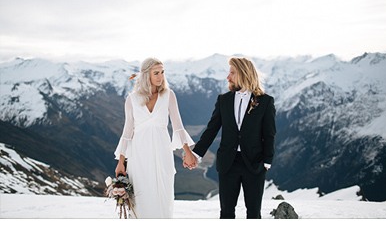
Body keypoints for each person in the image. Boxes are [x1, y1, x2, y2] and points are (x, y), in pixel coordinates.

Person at [183, 57, 276, 219]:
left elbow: (269, 133)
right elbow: (211, 130)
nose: (228, 77)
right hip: (228, 163)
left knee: (254, 213)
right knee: (226, 212)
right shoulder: (223, 100)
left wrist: (267, 161)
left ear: (244, 73)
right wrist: (196, 154)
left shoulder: (265, 101)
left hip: (255, 163)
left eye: (232, 72)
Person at [114, 57, 195, 218]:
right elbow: (127, 132)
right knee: (141, 198)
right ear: (146, 75)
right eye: (156, 73)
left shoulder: (168, 95)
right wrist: (121, 161)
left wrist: (188, 151)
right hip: (138, 157)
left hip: (162, 154)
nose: (160, 76)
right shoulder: (132, 99)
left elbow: (178, 126)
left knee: (163, 197)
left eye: (162, 72)